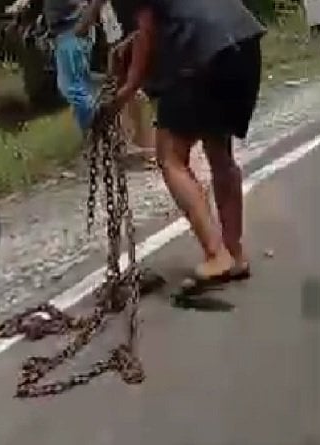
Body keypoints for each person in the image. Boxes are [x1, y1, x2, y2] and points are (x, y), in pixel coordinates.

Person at [111, 0, 266, 292]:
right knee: (219, 152)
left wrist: (129, 86)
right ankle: (234, 253)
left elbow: (147, 30)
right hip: (242, 42)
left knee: (171, 158)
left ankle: (215, 254)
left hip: (200, 53)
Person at [6, 0, 100, 132]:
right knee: (80, 86)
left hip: (71, 29)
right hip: (68, 30)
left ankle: (97, 124)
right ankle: (96, 135)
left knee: (70, 87)